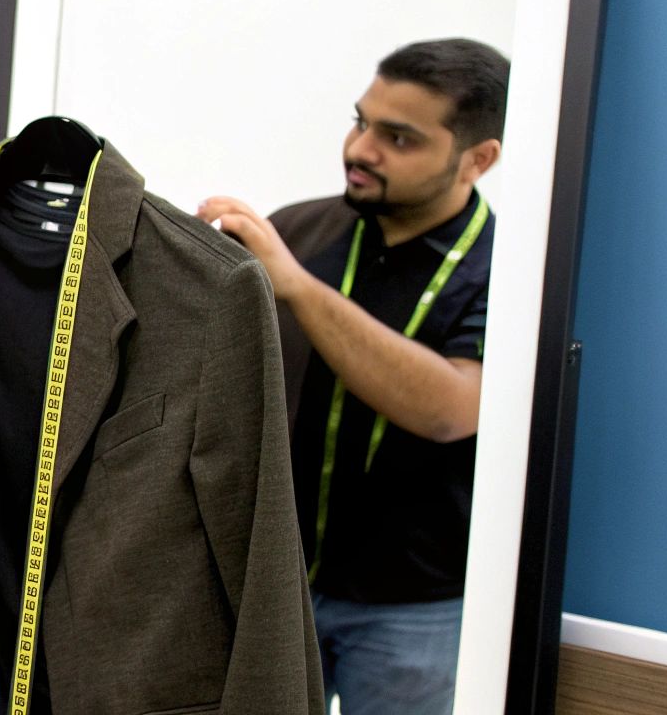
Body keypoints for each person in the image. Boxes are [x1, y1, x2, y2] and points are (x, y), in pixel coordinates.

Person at [197, 38, 508, 715]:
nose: (362, 149)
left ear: (477, 160)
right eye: (362, 122)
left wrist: (299, 290)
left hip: (415, 611)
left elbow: (452, 407)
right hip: (276, 583)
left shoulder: (505, 269)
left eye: (399, 138)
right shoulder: (301, 231)